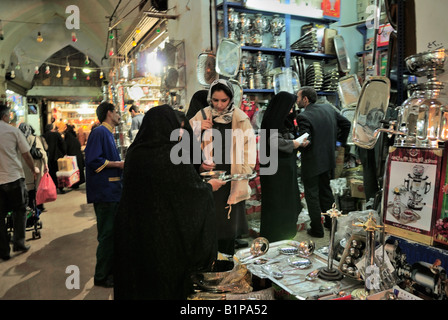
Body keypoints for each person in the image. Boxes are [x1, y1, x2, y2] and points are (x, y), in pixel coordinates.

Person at [114, 105, 225, 300]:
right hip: (164, 239)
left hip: (134, 233)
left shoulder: (134, 153)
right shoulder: (172, 156)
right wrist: (209, 187)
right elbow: (191, 195)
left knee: (139, 283)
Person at [190, 79, 256, 256]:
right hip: (208, 178)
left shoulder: (241, 118)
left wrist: (245, 171)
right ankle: (208, 263)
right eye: (215, 100)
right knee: (208, 225)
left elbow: (250, 149)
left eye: (223, 100)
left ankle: (226, 265)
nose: (219, 105)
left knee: (228, 228)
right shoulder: (201, 115)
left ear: (231, 99)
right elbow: (182, 142)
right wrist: (195, 128)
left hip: (232, 179)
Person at [296, 87, 351, 238]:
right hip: (328, 159)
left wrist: (296, 146)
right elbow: (346, 124)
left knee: (312, 195)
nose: (297, 100)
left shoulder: (303, 116)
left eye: (298, 97)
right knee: (326, 192)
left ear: (305, 99)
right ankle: (331, 223)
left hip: (312, 162)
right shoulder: (328, 108)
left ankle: (317, 229)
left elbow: (306, 140)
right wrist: (339, 143)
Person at [84, 102, 124, 288]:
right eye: (116, 112)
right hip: (105, 192)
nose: (118, 115)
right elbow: (93, 160)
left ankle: (110, 271)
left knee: (112, 234)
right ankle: (101, 276)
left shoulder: (107, 133)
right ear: (109, 113)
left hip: (112, 191)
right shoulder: (100, 132)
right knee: (107, 235)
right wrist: (118, 164)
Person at [259, 92, 304, 242]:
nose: (291, 111)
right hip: (275, 173)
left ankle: (286, 234)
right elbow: (274, 141)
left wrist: (296, 143)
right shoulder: (272, 121)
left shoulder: (283, 120)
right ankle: (275, 237)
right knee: (277, 204)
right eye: (289, 108)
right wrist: (293, 144)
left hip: (285, 170)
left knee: (288, 202)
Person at [0, 104, 39, 260]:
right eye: (9, 114)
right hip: (14, 178)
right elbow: (26, 154)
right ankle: (19, 243)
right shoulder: (13, 131)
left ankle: (3, 251)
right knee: (20, 210)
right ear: (4, 116)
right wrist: (33, 169)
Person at [18, 123, 49, 212]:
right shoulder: (34, 138)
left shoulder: (18, 140)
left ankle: (28, 206)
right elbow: (43, 154)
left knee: (27, 188)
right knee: (37, 187)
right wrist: (46, 164)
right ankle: (38, 206)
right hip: (35, 166)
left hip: (22, 167)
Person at [43, 123, 66, 194]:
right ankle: (60, 188)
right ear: (52, 128)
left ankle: (52, 188)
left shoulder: (43, 136)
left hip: (48, 157)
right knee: (59, 173)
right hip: (57, 156)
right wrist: (63, 153)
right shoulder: (57, 134)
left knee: (50, 173)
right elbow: (62, 144)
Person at [64, 124, 85, 189]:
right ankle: (77, 183)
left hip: (72, 157)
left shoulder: (68, 138)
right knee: (77, 170)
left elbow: (65, 147)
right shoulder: (74, 138)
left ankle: (74, 183)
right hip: (78, 156)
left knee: (73, 171)